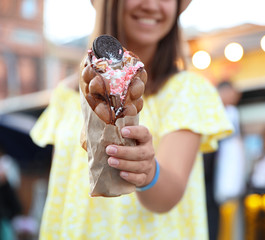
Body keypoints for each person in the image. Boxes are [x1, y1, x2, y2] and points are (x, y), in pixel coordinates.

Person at [30, 0, 233, 239]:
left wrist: (149, 171)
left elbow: (168, 196)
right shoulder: (68, 95)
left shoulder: (187, 91)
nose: (152, 5)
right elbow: (62, 187)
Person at [203, 81, 245, 240]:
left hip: (218, 178)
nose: (234, 99)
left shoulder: (231, 114)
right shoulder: (209, 113)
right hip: (207, 177)